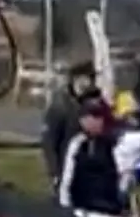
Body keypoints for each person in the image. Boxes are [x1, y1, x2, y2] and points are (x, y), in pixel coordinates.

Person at [56, 92, 125, 216]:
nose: (99, 121)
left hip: (108, 208)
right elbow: (67, 177)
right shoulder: (78, 143)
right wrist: (65, 206)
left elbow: (121, 177)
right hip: (82, 208)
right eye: (94, 117)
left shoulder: (113, 144)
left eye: (100, 117)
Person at [40, 61, 98, 195]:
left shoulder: (91, 102)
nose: (92, 82)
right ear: (77, 79)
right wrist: (54, 172)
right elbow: (49, 142)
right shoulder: (60, 105)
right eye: (89, 78)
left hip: (86, 170)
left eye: (93, 78)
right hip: (65, 168)